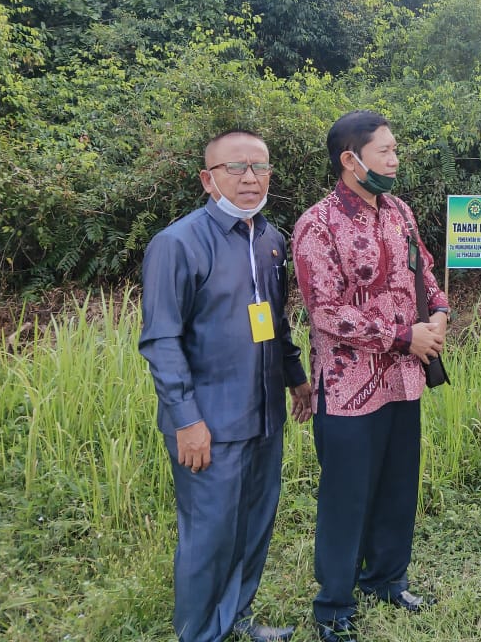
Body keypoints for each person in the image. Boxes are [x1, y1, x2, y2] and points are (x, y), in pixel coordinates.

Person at [139, 130, 313, 642]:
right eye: (235, 168)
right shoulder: (177, 244)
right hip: (209, 423)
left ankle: (234, 618)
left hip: (262, 416)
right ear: (207, 178)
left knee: (253, 527)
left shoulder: (271, 241)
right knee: (209, 537)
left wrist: (296, 379)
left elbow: (275, 325)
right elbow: (161, 341)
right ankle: (198, 633)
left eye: (260, 168)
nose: (249, 178)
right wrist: (186, 420)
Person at [292, 110, 449, 642]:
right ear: (350, 160)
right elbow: (326, 311)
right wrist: (404, 336)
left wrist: (441, 314)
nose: (395, 159)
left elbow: (424, 269)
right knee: (346, 496)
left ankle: (386, 578)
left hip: (405, 379)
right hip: (347, 386)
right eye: (386, 150)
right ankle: (334, 606)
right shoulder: (317, 224)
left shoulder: (399, 211)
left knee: (397, 487)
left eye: (395, 149)